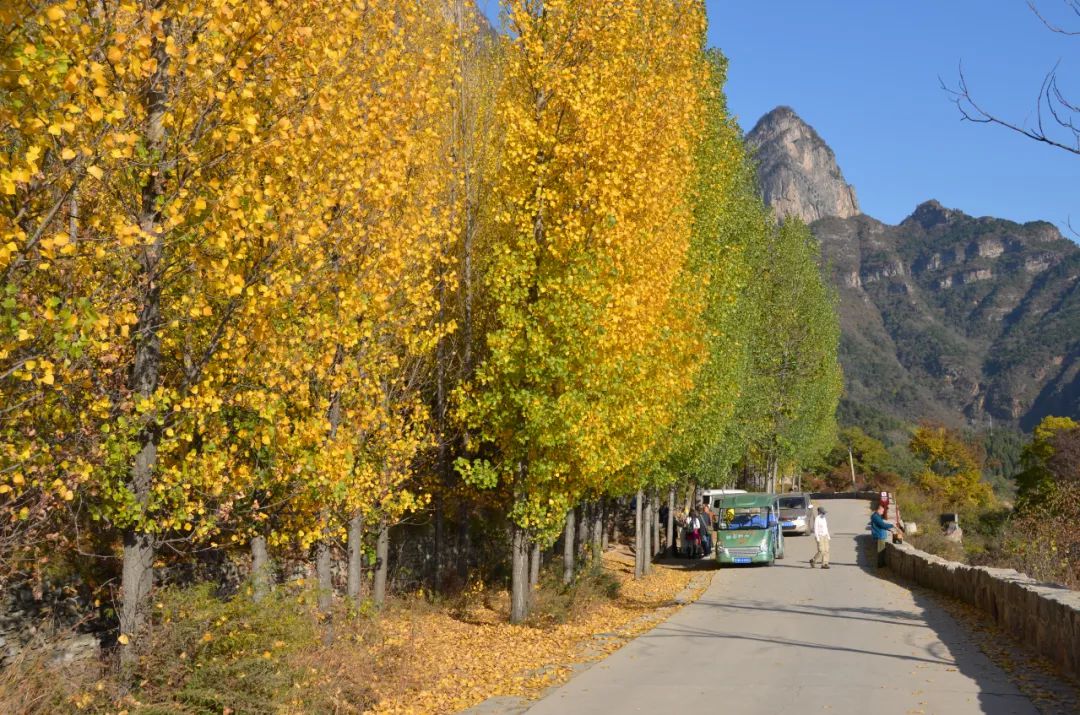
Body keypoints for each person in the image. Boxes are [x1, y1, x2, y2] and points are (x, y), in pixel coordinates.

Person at [871, 503, 899, 567]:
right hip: (879, 535)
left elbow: (881, 526)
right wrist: (892, 525)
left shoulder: (877, 516)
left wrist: (889, 530)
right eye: (882, 511)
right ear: (879, 509)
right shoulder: (875, 516)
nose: (883, 513)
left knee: (882, 550)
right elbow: (882, 525)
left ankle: (882, 563)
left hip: (881, 535)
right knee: (881, 551)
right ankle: (880, 565)